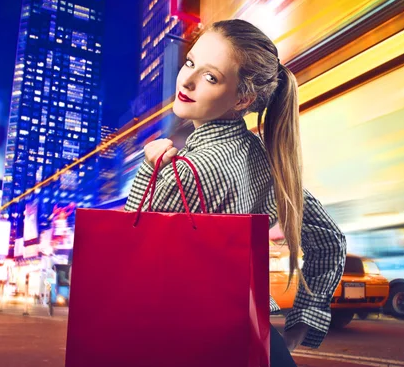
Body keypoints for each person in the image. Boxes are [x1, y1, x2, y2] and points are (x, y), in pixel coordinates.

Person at [124, 19, 347, 367]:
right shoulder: (267, 159)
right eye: (190, 63)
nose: (188, 80)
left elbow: (127, 257)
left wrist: (148, 171)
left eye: (211, 77)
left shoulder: (184, 171)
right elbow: (330, 240)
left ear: (244, 97)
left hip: (193, 345)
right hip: (259, 341)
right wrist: (302, 324)